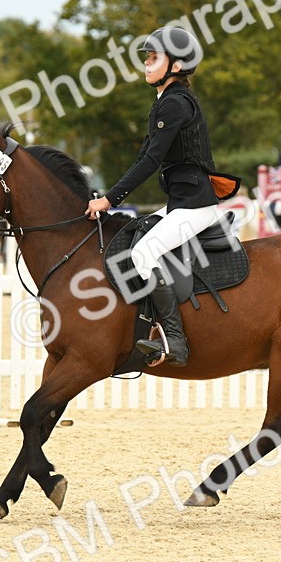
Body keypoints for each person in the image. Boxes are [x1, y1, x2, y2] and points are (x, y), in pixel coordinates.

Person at [84, 26, 236, 367]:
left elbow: (152, 162)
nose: (147, 64)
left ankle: (176, 341)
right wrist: (110, 195)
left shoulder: (176, 104)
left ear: (177, 66)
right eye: (147, 58)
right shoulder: (165, 102)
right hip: (181, 202)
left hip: (195, 204)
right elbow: (144, 156)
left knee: (144, 253)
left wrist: (110, 200)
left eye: (154, 58)